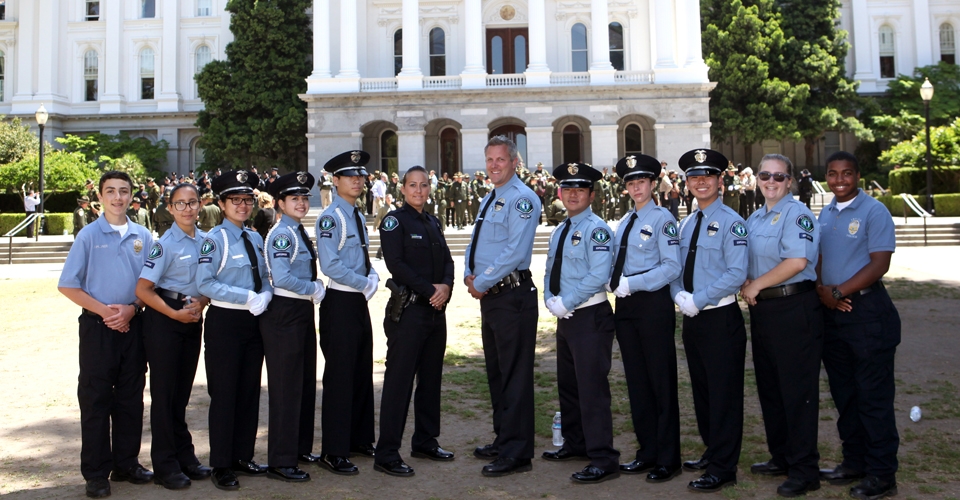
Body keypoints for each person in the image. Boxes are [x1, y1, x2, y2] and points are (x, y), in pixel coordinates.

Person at [57, 171, 155, 499]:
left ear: (132, 195)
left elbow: (153, 282)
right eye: (110, 191)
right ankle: (96, 472)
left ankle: (126, 463)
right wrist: (106, 312)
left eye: (123, 191)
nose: (117, 197)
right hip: (98, 327)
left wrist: (132, 308)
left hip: (134, 324)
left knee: (131, 396)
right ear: (99, 196)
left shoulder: (144, 235)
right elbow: (67, 284)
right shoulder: (88, 235)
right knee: (96, 398)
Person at [815, 151, 900, 500]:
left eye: (846, 174)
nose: (839, 180)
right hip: (833, 314)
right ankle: (854, 462)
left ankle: (882, 475)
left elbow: (880, 263)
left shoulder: (874, 211)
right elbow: (818, 257)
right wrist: (823, 291)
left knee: (873, 398)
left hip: (866, 311)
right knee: (845, 395)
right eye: (833, 174)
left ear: (858, 176)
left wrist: (838, 291)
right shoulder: (825, 211)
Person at [739, 155, 823, 497]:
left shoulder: (797, 214)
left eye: (778, 176)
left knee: (797, 391)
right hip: (765, 312)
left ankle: (805, 470)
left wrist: (756, 285)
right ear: (756, 178)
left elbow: (797, 261)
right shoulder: (756, 217)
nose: (770, 181)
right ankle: (782, 457)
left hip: (794, 308)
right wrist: (747, 280)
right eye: (764, 175)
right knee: (771, 387)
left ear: (789, 181)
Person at [670, 149, 748, 493]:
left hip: (720, 318)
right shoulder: (686, 223)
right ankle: (712, 449)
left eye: (708, 177)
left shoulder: (732, 221)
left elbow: (737, 272)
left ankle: (723, 467)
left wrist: (698, 299)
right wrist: (678, 295)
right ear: (687, 183)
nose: (700, 182)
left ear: (721, 182)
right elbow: (675, 267)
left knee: (724, 394)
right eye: (694, 177)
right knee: (702, 391)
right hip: (692, 318)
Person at [464, 135, 542, 477]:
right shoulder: (490, 197)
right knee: (497, 373)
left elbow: (513, 250)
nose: (494, 165)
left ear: (514, 162)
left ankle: (517, 452)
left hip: (512, 297)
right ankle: (503, 438)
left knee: (515, 375)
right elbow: (476, 240)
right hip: (493, 298)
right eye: (490, 159)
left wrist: (480, 282)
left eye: (500, 160)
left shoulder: (522, 200)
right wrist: (468, 271)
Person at [374, 166, 456, 477]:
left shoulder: (433, 221)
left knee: (431, 380)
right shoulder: (395, 221)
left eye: (423, 185)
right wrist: (430, 289)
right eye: (412, 185)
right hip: (408, 312)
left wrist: (446, 286)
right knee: (399, 383)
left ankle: (425, 440)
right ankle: (387, 453)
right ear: (403, 189)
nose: (419, 191)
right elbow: (396, 264)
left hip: (436, 311)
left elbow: (447, 259)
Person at [540, 162, 619, 484]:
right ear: (560, 193)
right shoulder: (561, 228)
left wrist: (566, 302)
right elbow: (549, 270)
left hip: (589, 316)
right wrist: (549, 299)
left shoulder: (597, 229)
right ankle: (575, 443)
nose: (573, 194)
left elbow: (599, 275)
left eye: (580, 189)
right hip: (566, 316)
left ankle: (603, 457)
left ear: (592, 195)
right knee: (569, 387)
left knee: (592, 390)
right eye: (567, 189)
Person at [196, 170, 273, 491]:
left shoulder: (255, 237)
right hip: (225, 323)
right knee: (225, 394)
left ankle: (243, 455)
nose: (242, 205)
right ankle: (222, 464)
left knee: (249, 392)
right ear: (222, 203)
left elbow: (265, 276)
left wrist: (266, 293)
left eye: (247, 199)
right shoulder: (215, 239)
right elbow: (205, 283)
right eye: (235, 200)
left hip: (254, 322)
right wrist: (246, 297)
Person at [607, 155, 683, 483]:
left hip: (652, 305)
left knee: (660, 382)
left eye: (642, 181)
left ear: (653, 184)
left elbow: (671, 267)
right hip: (625, 308)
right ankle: (647, 451)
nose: (636, 187)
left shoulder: (663, 218)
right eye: (630, 182)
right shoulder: (624, 222)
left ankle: (668, 458)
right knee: (637, 382)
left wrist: (632, 283)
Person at [135, 183, 213, 490]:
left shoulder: (207, 241)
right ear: (170, 208)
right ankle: (165, 465)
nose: (188, 209)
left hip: (192, 319)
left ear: (200, 205)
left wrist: (202, 302)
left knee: (181, 395)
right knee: (165, 397)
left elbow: (209, 281)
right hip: (165, 321)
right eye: (180, 204)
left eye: (192, 202)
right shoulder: (163, 244)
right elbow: (142, 289)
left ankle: (185, 457)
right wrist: (174, 314)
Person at [315, 150, 379, 475]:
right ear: (335, 180)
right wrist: (362, 282)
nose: (357, 180)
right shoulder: (331, 217)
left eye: (360, 175)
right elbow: (330, 265)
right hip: (340, 302)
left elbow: (362, 257)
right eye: (349, 176)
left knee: (360, 371)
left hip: (357, 302)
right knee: (340, 377)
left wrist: (372, 276)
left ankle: (359, 438)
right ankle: (334, 450)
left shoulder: (355, 214)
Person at [260, 171, 326, 483]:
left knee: (301, 383)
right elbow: (283, 277)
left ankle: (299, 448)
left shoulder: (298, 230)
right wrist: (312, 287)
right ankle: (281, 460)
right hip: (285, 311)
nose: (301, 203)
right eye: (293, 199)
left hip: (299, 311)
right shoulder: (282, 234)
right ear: (280, 203)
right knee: (286, 387)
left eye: (303, 198)